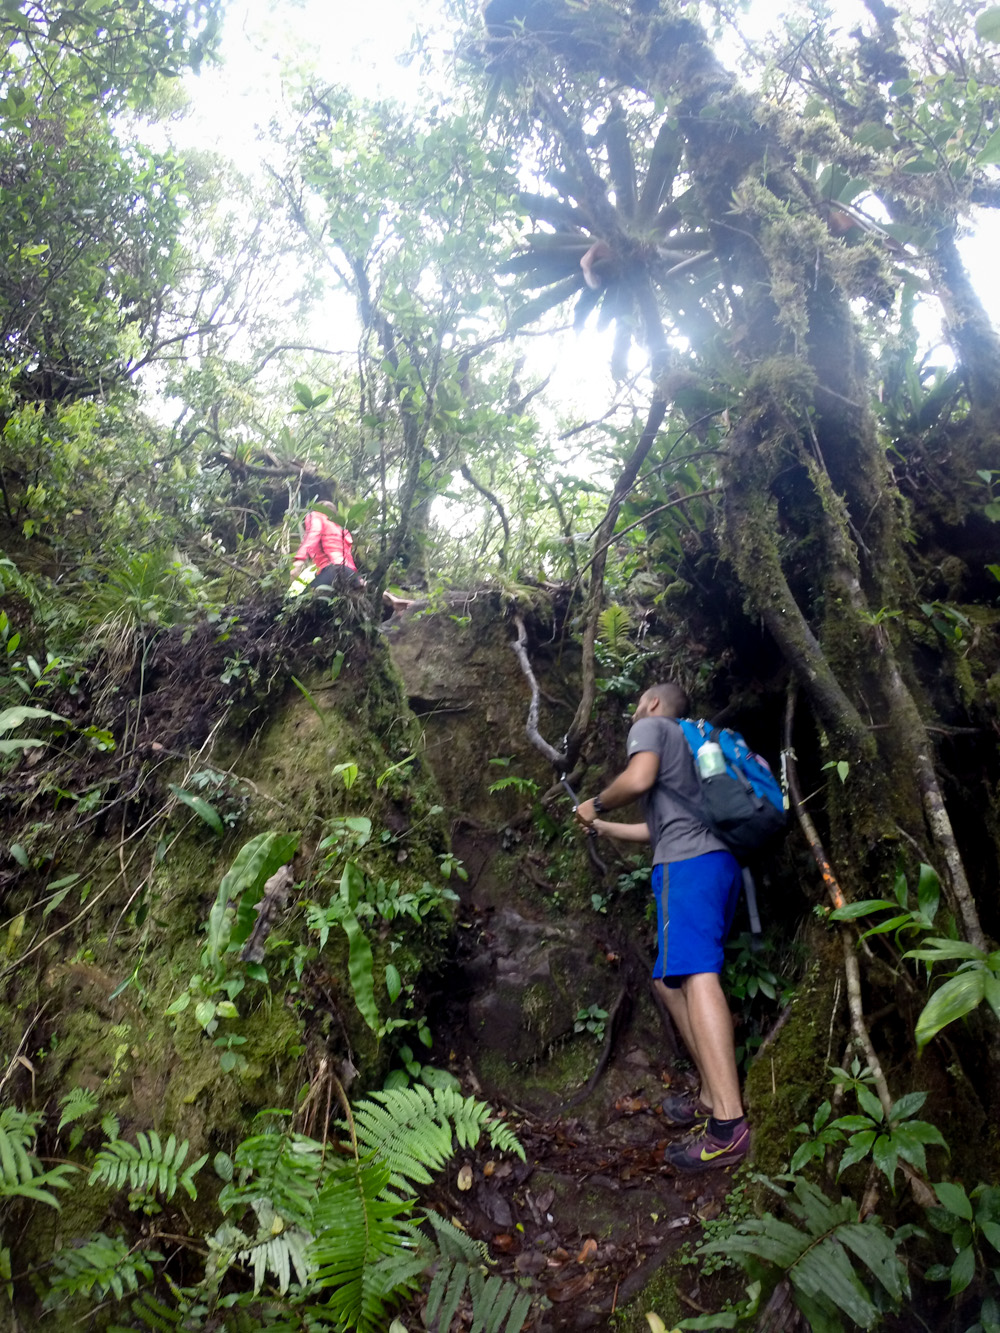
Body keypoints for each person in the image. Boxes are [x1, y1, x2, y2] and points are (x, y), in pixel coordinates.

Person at [574, 681, 750, 1172]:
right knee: (667, 982)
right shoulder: (691, 753)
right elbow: (658, 827)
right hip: (713, 862)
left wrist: (598, 804)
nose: (635, 713)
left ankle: (728, 1127)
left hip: (689, 866)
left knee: (696, 975)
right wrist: (605, 828)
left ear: (652, 703)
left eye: (637, 704)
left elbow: (637, 778)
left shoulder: (653, 727)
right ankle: (713, 1097)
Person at [289, 501, 362, 596]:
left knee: (297, 600)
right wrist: (359, 579)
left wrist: (300, 559)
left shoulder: (317, 516)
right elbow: (348, 558)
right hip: (350, 574)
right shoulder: (343, 529)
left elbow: (314, 533)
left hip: (332, 570)